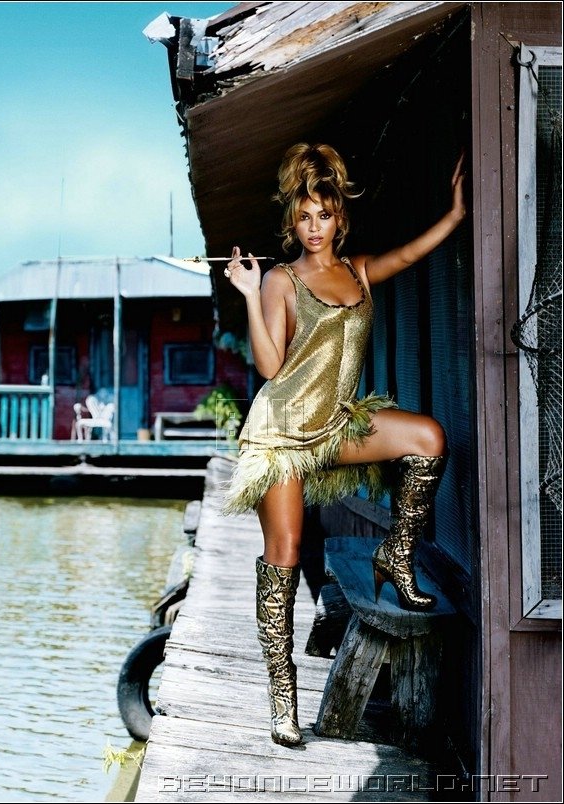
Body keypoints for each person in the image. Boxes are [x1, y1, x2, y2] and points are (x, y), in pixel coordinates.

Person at [221, 142, 466, 747]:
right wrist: (249, 294)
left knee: (428, 438)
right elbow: (270, 367)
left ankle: (395, 555)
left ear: (339, 218)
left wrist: (456, 214)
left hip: (338, 425)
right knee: (284, 554)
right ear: (293, 220)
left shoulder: (358, 272)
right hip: (282, 436)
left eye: (323, 215)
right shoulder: (280, 279)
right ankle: (283, 698)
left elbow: (409, 254)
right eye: (304, 216)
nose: (314, 227)